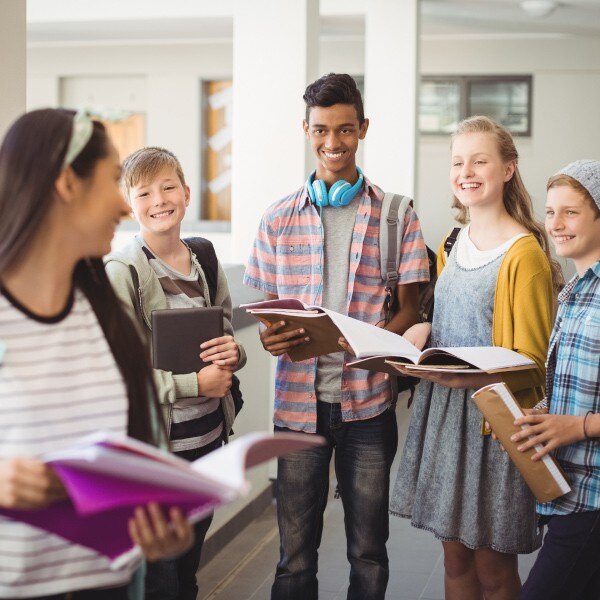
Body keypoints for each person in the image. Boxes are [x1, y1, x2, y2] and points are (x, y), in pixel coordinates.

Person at [244, 73, 430, 599]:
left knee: (368, 553)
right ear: (306, 129)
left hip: (368, 408)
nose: (333, 143)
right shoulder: (277, 219)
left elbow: (411, 312)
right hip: (296, 408)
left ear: (362, 128)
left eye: (345, 130)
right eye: (322, 130)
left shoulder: (397, 216)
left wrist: (353, 345)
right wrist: (271, 338)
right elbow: (266, 315)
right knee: (293, 559)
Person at [0, 109, 193, 599]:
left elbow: (128, 455)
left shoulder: (103, 314)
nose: (126, 204)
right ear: (67, 183)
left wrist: (154, 517)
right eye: (113, 181)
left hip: (109, 584)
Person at [390, 116, 561, 600]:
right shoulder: (451, 242)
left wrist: (465, 377)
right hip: (445, 417)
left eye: (480, 160)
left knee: (492, 565)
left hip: (494, 423)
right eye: (458, 161)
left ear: (508, 169)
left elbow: (533, 361)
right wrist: (423, 331)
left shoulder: (524, 254)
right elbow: (447, 322)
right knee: (454, 558)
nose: (466, 171)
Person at [105, 146, 246, 600]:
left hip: (208, 442)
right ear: (130, 204)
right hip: (159, 455)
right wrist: (193, 384)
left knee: (188, 569)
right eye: (144, 192)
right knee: (161, 579)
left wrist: (234, 354)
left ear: (186, 194)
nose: (159, 199)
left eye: (168, 187)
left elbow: (226, 333)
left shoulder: (204, 257)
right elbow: (121, 377)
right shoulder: (123, 270)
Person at [508, 160, 600, 600]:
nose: (556, 224)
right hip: (566, 491)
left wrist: (577, 427)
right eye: (550, 212)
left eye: (571, 212)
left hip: (594, 498)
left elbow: (582, 417)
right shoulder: (573, 291)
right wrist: (540, 416)